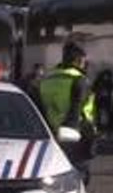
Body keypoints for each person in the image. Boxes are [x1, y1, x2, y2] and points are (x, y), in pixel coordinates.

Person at [39, 43, 98, 174]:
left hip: (51, 133)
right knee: (78, 176)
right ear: (78, 60)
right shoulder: (79, 80)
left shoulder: (47, 79)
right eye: (83, 60)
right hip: (75, 135)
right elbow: (76, 110)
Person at [92, 69, 113, 136]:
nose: (105, 77)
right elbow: (94, 89)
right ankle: (101, 127)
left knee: (105, 114)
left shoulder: (107, 81)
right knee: (100, 114)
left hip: (104, 99)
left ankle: (107, 128)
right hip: (103, 99)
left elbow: (94, 89)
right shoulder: (106, 81)